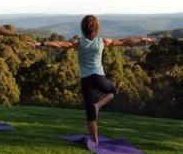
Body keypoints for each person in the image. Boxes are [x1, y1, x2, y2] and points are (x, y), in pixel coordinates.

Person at [27, 15, 156, 145]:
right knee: (112, 92)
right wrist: (140, 39)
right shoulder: (102, 41)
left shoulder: (79, 42)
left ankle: (95, 140)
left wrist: (41, 43)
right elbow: (123, 42)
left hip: (86, 80)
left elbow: (61, 44)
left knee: (90, 113)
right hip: (99, 77)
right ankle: (98, 105)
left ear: (83, 28)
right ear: (96, 28)